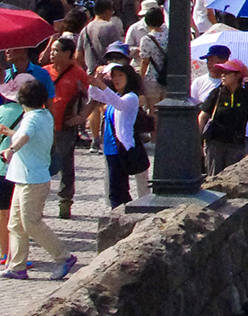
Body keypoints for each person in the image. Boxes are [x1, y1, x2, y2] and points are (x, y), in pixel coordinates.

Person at [0, 80, 76, 281]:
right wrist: (10, 133)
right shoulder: (44, 115)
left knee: (31, 223)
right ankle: (17, 267)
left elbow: (25, 136)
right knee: (15, 225)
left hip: (31, 180)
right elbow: (29, 135)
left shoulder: (31, 118)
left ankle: (63, 256)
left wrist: (10, 149)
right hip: (24, 178)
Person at [198, 61, 248, 175]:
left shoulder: (247, 94)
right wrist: (197, 141)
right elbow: (203, 116)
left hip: (237, 143)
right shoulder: (217, 93)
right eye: (222, 72)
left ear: (238, 75)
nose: (223, 75)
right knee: (214, 177)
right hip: (215, 143)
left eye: (227, 72)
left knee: (233, 175)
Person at [86, 63, 144, 208]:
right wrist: (94, 83)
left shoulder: (131, 97)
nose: (116, 79)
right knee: (116, 188)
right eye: (113, 76)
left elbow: (119, 104)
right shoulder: (116, 95)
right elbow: (94, 95)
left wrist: (102, 85)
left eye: (120, 75)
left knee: (117, 190)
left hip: (121, 148)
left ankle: (120, 218)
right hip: (110, 147)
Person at [43, 39, 86, 220]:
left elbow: (95, 97)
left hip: (65, 127)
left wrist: (81, 116)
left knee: (66, 164)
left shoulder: (78, 74)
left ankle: (65, 201)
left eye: (56, 50)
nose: (52, 54)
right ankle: (37, 202)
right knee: (41, 163)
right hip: (44, 126)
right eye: (52, 50)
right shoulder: (44, 72)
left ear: (69, 54)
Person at [77, 1, 123, 72]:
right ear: (108, 11)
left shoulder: (85, 29)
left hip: (91, 75)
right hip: (109, 73)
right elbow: (119, 52)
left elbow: (78, 56)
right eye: (112, 12)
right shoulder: (110, 27)